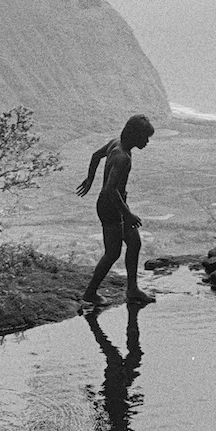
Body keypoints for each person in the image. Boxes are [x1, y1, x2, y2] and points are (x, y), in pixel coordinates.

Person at [75, 114, 156, 306]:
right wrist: (127, 215)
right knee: (112, 253)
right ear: (135, 135)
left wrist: (90, 179)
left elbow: (96, 156)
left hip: (115, 203)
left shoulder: (116, 143)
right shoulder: (122, 157)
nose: (146, 141)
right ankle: (90, 293)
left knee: (134, 242)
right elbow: (110, 189)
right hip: (110, 207)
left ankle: (132, 289)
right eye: (145, 137)